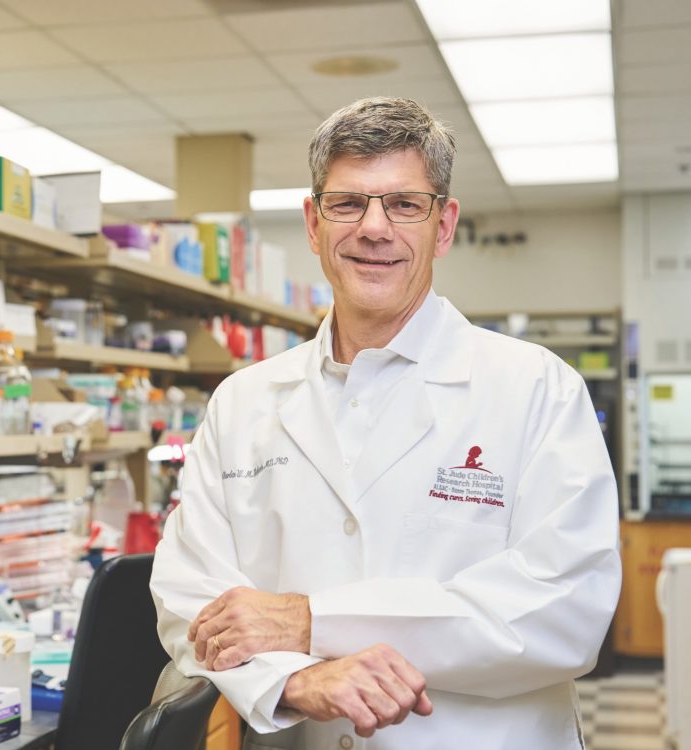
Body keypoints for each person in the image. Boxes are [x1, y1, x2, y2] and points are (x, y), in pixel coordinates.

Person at [150, 97, 621, 750]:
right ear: (313, 225)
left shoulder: (537, 389)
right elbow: (187, 594)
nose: (375, 228)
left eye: (404, 204)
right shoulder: (242, 403)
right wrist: (290, 682)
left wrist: (310, 623)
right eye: (348, 204)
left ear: (444, 224)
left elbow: (563, 610)